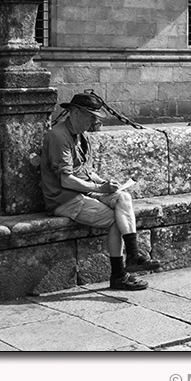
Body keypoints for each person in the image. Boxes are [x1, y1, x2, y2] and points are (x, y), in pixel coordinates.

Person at [40, 92, 160, 291]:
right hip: (64, 199)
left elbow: (87, 171)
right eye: (90, 115)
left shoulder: (83, 136)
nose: (94, 121)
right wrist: (99, 188)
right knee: (116, 219)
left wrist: (105, 183)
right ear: (75, 112)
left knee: (123, 196)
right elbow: (66, 180)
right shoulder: (58, 136)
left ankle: (133, 254)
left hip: (84, 192)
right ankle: (119, 274)